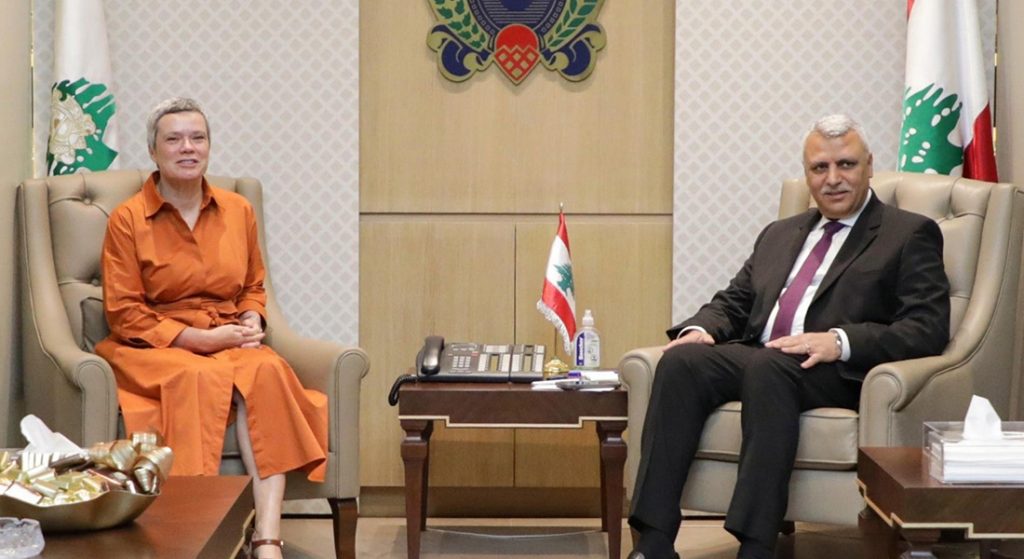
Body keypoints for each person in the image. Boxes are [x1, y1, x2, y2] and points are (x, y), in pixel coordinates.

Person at [627, 114, 951, 559]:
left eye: (846, 164)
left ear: (869, 166)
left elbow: (926, 327)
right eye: (820, 168)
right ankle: (654, 541)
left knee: (768, 366)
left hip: (837, 369)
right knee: (681, 361)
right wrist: (701, 330)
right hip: (767, 358)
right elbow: (735, 301)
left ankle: (756, 545)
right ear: (807, 174)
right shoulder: (780, 233)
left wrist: (839, 340)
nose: (833, 179)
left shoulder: (908, 233)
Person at [96, 97, 328, 559]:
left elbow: (254, 285)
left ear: (208, 146)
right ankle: (193, 540)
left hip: (227, 333)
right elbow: (124, 311)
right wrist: (194, 340)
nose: (188, 147)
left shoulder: (238, 209)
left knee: (268, 371)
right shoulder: (127, 219)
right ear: (153, 151)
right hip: (155, 343)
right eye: (174, 139)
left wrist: (251, 316)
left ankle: (266, 538)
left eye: (197, 138)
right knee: (197, 376)